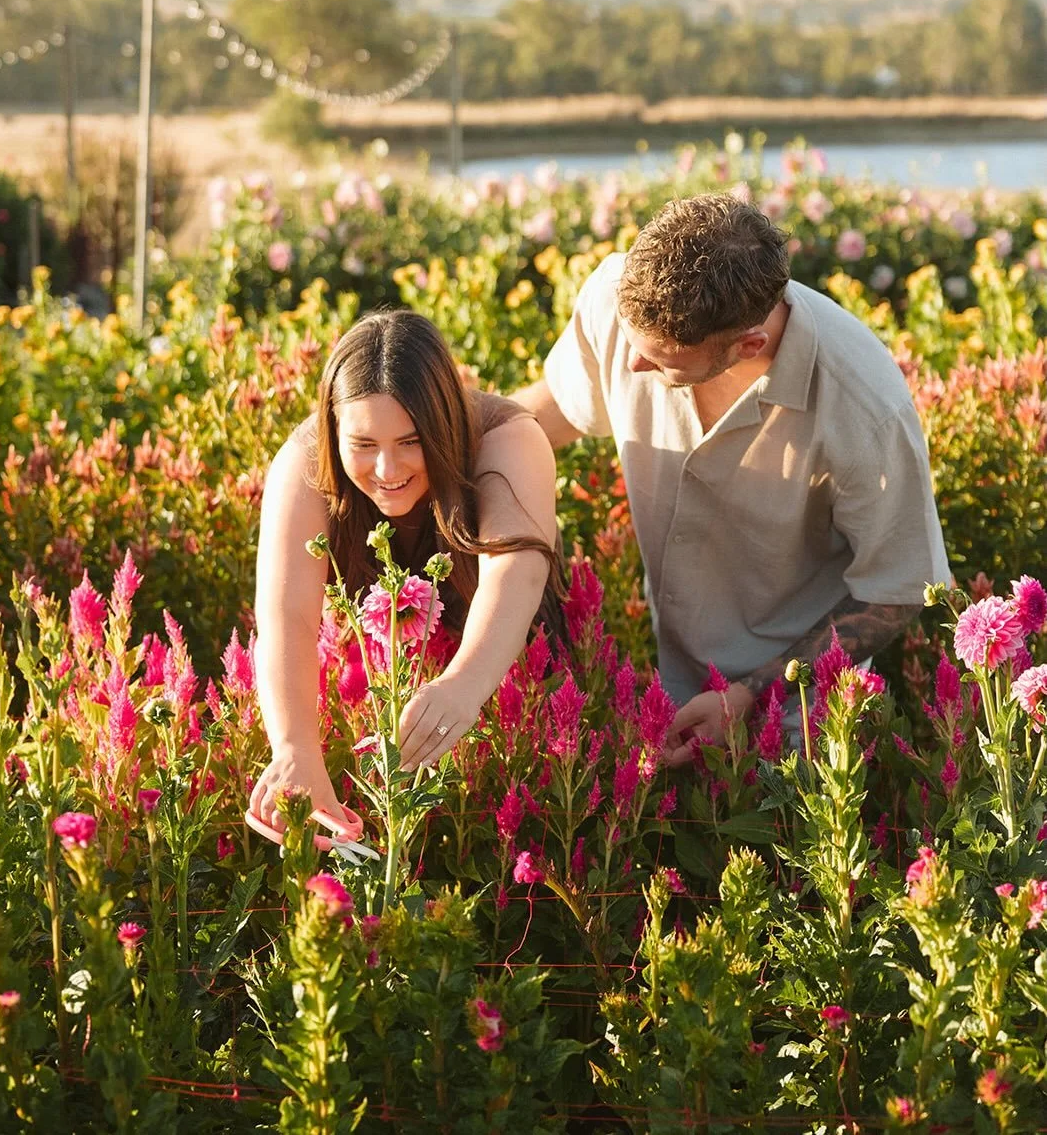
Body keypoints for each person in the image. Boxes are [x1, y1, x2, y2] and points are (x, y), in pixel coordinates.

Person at [513, 191, 950, 762]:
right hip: (666, 685)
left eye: (661, 361)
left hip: (798, 722)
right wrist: (421, 421)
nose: (630, 367)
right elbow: (544, 417)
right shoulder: (620, 302)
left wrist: (750, 694)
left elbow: (895, 595)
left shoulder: (863, 408)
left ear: (749, 345)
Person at [249, 309, 562, 837]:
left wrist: (464, 685)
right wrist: (294, 749)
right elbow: (287, 615)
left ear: (445, 423)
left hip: (509, 667)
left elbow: (515, 572)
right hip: (386, 681)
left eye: (412, 442)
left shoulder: (507, 437)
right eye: (364, 446)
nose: (388, 472)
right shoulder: (303, 463)